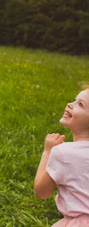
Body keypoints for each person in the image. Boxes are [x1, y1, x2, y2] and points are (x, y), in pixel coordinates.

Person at [34, 84, 89, 226]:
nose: (70, 104)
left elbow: (41, 192)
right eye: (74, 100)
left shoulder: (63, 153)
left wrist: (47, 152)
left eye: (80, 104)